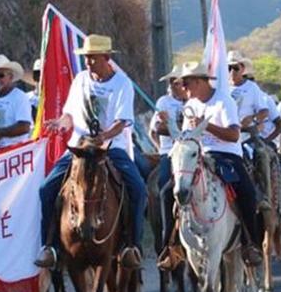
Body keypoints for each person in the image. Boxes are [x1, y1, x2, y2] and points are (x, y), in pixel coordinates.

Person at [35, 34, 146, 270]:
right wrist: (60, 123)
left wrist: (103, 137)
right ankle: (50, 246)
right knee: (46, 189)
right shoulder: (80, 80)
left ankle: (131, 245)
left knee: (138, 189)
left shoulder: (122, 84)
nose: (88, 63)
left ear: (106, 58)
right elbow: (70, 115)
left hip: (110, 148)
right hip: (80, 147)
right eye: (86, 58)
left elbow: (122, 122)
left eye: (92, 58)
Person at [178, 60, 263, 266]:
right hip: (197, 155)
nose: (183, 88)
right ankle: (172, 244)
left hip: (226, 155)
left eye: (186, 83)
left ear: (199, 82)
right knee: (168, 190)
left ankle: (251, 242)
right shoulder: (189, 106)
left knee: (247, 193)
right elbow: (186, 137)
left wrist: (206, 126)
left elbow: (234, 135)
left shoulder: (224, 101)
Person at [0, 54, 33, 155]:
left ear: (10, 77)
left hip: (14, 154)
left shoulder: (20, 97)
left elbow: (24, 127)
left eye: (0, 75)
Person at [150, 65, 188, 196]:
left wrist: (172, 125)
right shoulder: (164, 102)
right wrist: (160, 148)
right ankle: (164, 214)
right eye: (172, 82)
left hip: (191, 149)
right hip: (169, 150)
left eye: (177, 82)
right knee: (164, 182)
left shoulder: (193, 102)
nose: (173, 85)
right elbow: (158, 128)